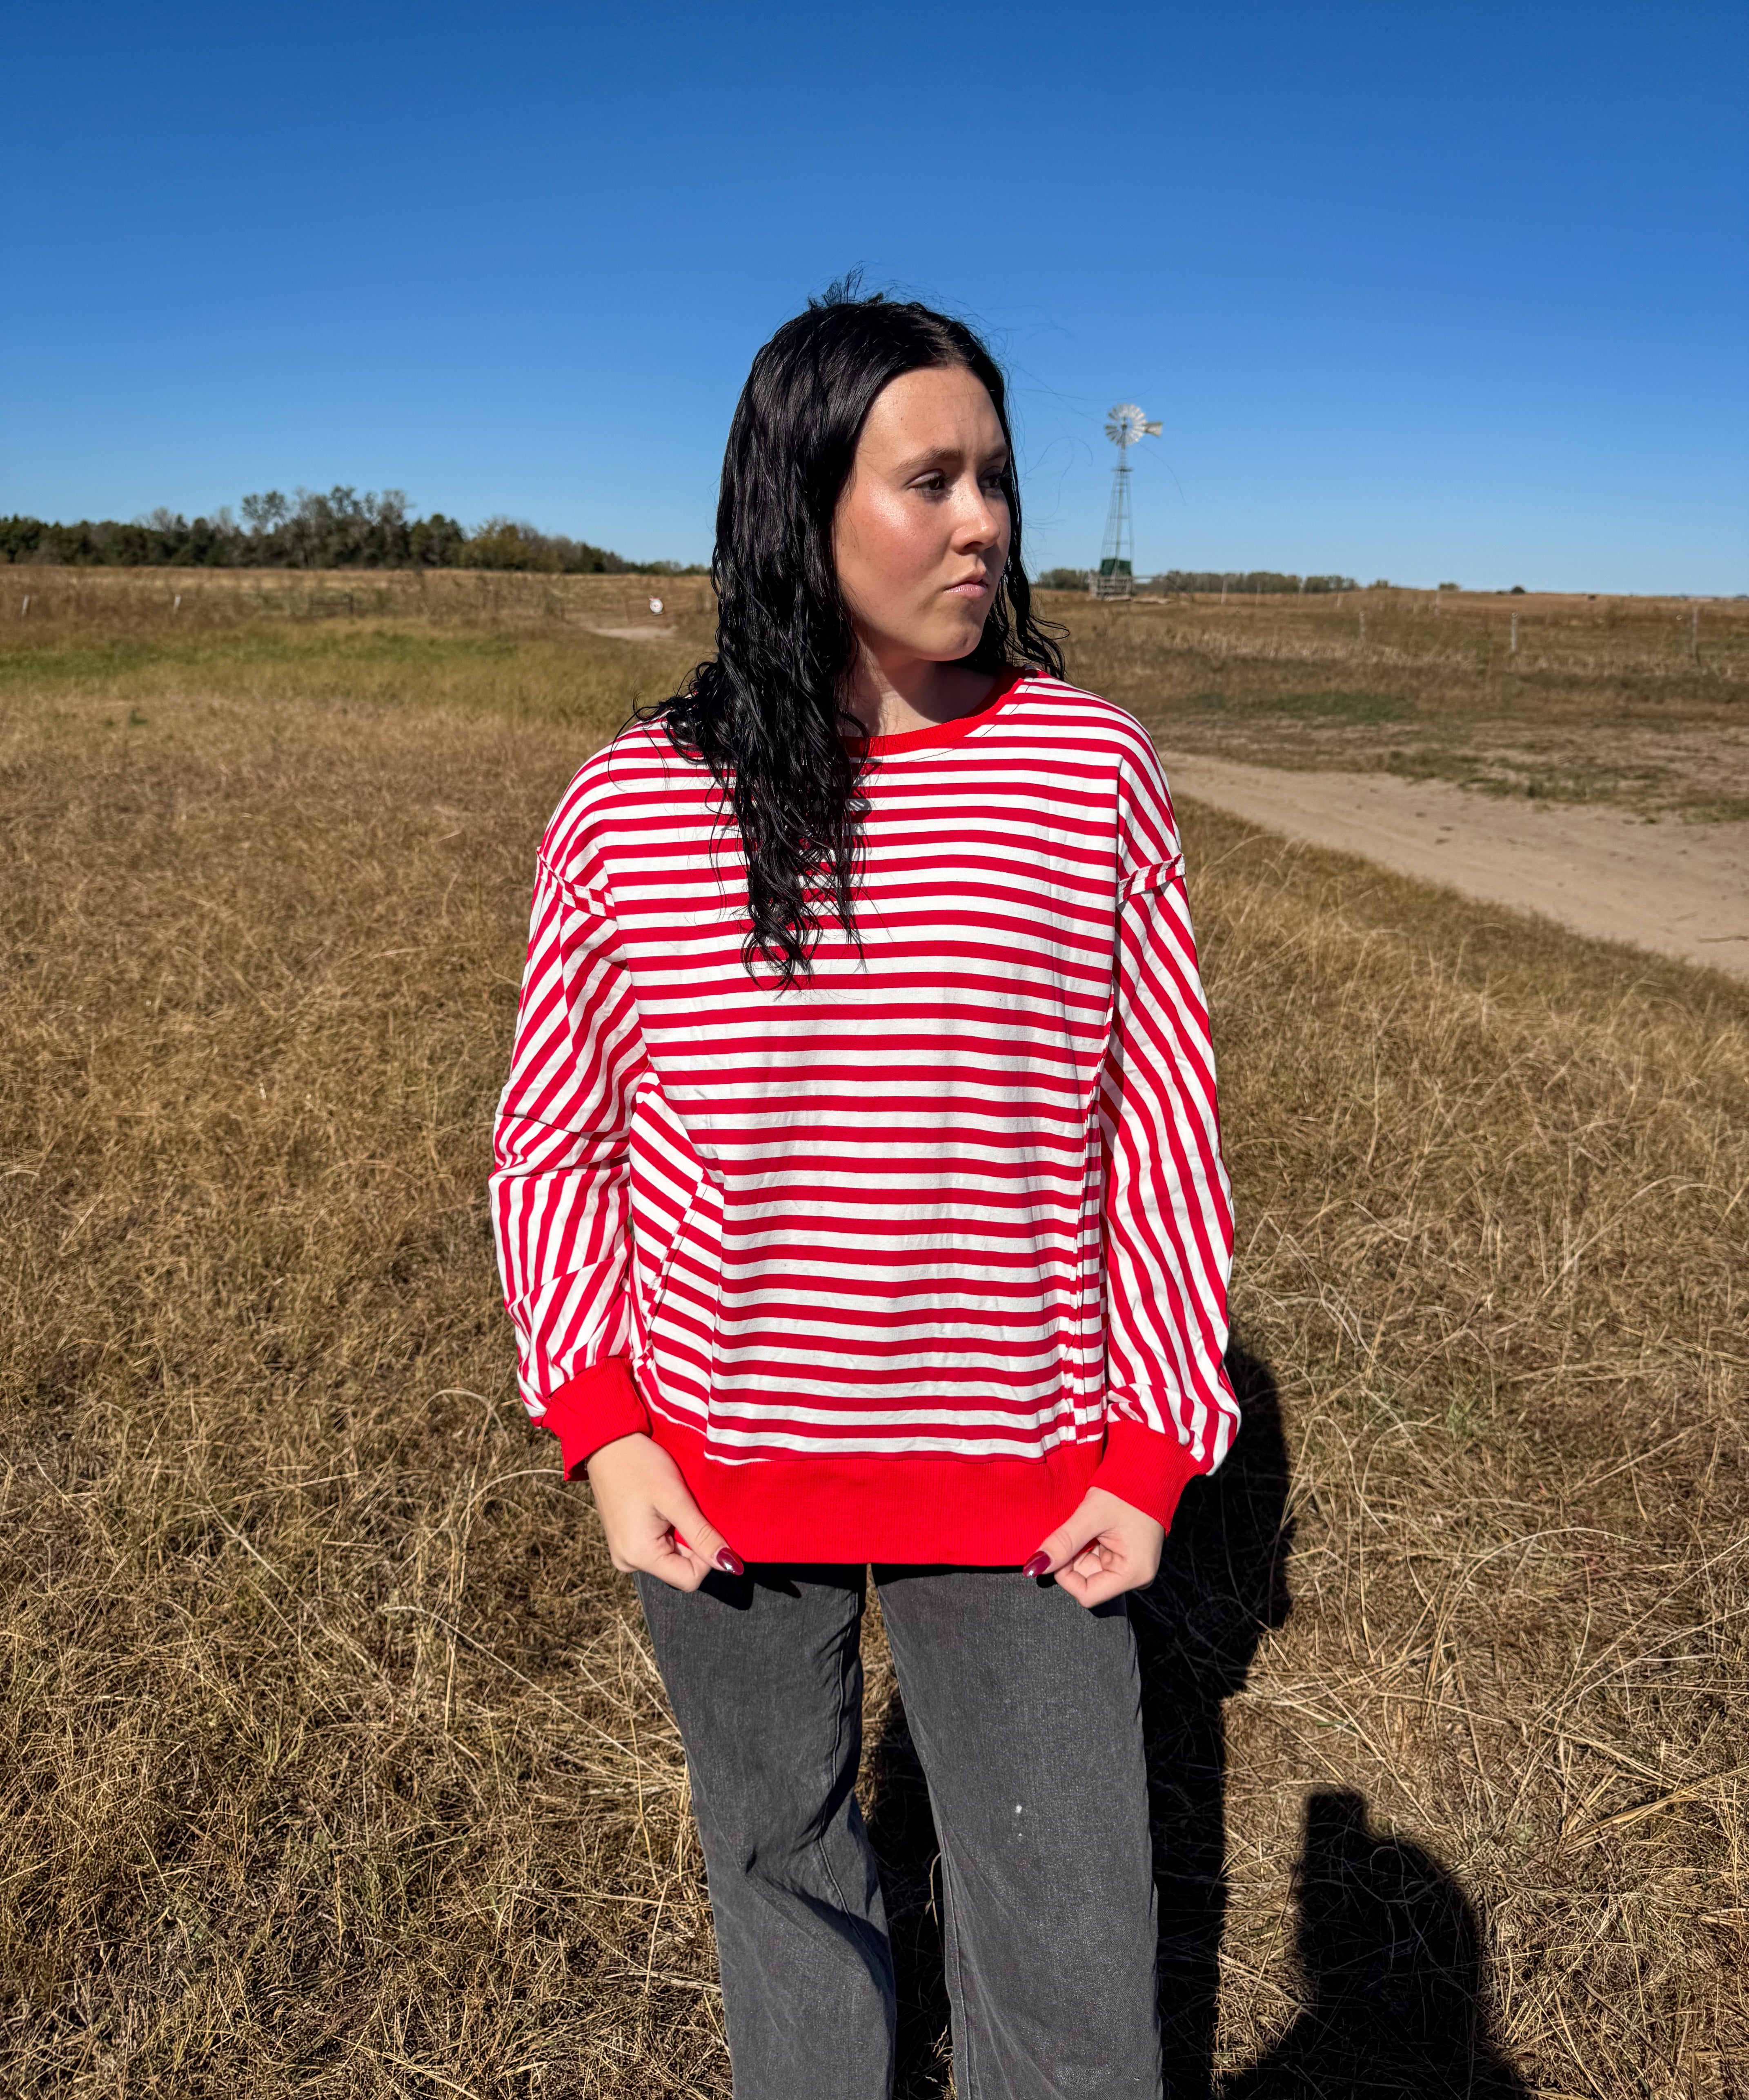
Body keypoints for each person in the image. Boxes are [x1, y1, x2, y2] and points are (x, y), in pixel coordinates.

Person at [490, 282, 1239, 2100]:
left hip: (1034, 1482)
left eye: (996, 477)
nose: (982, 519)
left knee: (1066, 1937)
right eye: (929, 480)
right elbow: (555, 1142)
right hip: (717, 1483)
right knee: (780, 1875)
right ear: (799, 504)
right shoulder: (632, 808)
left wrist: (1149, 1457)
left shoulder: (1086, 769)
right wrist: (610, 1431)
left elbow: (1162, 1134)